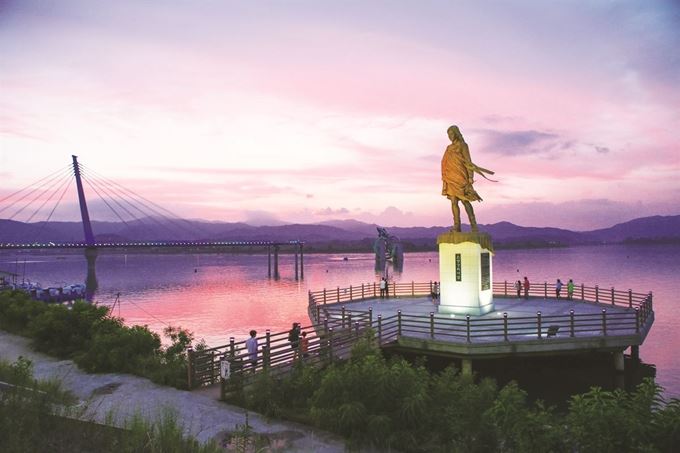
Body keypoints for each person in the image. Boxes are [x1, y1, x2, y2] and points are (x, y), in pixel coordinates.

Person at [441, 125, 495, 232]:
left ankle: (473, 225)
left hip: (461, 176)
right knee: (453, 201)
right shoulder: (448, 148)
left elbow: (468, 161)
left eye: (451, 134)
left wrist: (470, 176)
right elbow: (445, 161)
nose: (450, 136)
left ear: (456, 133)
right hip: (451, 177)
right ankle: (457, 226)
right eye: (448, 135)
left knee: (465, 201)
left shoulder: (463, 145)